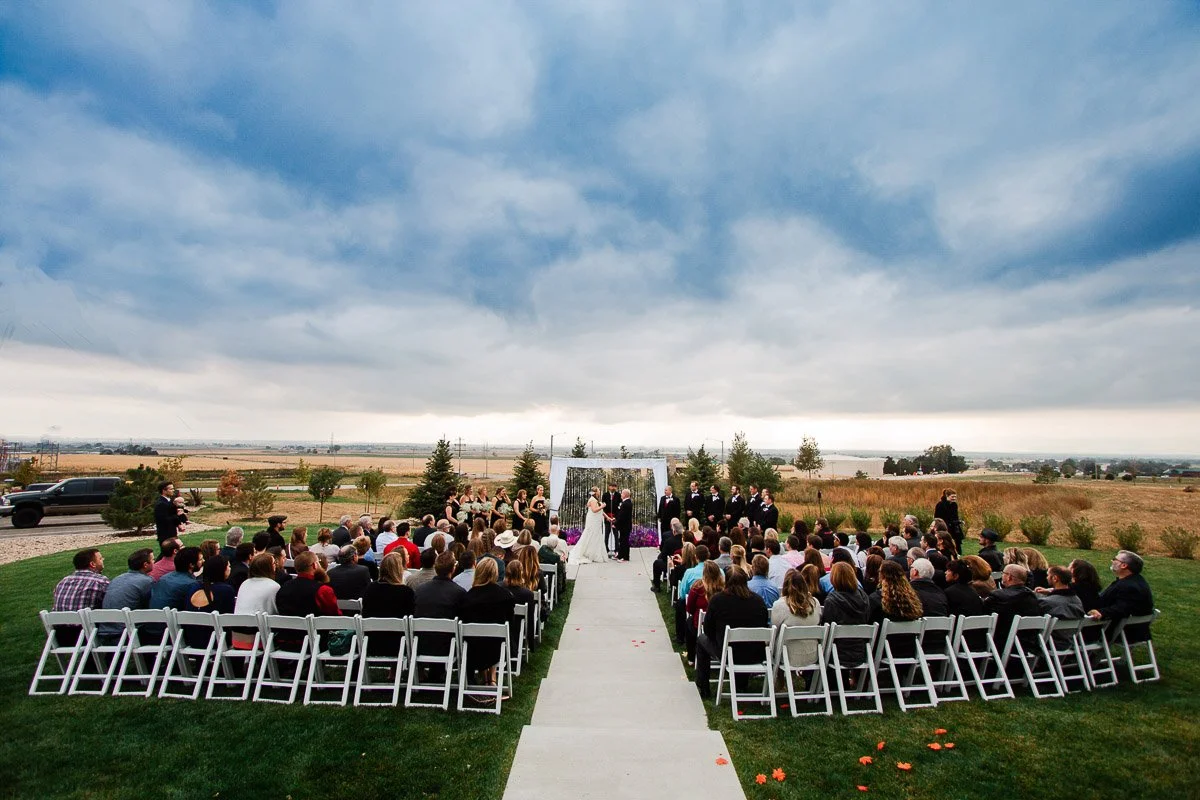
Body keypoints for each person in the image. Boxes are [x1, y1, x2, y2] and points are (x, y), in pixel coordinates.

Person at [694, 569, 769, 699]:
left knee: (701, 640)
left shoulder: (718, 600)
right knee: (742, 644)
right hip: (756, 653)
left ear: (727, 582)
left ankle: (703, 686)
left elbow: (708, 629)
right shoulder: (758, 600)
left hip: (729, 653)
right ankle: (741, 684)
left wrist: (717, 638)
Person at [459, 558, 516, 685]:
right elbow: (509, 622)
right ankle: (491, 677)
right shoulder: (505, 596)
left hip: (473, 649)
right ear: (495, 573)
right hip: (496, 646)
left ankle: (487, 676)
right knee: (497, 634)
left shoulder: (467, 597)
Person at [1085, 550, 1154, 640]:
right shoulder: (1135, 581)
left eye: (1115, 559)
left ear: (1124, 565)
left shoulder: (1130, 586)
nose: (1112, 561)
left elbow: (1122, 608)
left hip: (1124, 632)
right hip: (1135, 631)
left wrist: (1102, 612)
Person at [97, 548, 154, 639]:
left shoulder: (117, 578)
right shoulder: (146, 581)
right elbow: (152, 606)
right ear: (146, 565)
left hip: (105, 629)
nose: (154, 562)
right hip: (127, 632)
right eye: (153, 560)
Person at [771, 569, 822, 670]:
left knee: (774, 640)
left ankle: (779, 681)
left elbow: (774, 633)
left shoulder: (780, 605)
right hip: (813, 654)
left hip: (787, 656)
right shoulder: (815, 603)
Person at [983, 564, 1042, 647]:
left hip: (1003, 643)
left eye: (1003, 573)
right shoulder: (1031, 596)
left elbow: (984, 612)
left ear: (1009, 577)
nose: (1002, 576)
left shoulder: (998, 595)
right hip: (1028, 642)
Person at [182, 555, 236, 646]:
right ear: (222, 570)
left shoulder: (193, 587)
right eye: (229, 566)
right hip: (216, 639)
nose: (230, 569)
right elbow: (229, 616)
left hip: (192, 639)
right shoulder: (225, 590)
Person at [231, 554, 280, 648]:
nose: (275, 565)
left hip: (237, 637)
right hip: (259, 639)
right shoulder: (274, 586)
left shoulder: (245, 584)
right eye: (274, 563)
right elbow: (275, 613)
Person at [53, 549, 110, 625]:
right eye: (100, 559)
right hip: (85, 630)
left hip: (59, 630)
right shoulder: (99, 581)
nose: (103, 560)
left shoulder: (63, 581)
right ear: (92, 564)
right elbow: (112, 602)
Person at [275, 552, 341, 617]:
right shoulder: (323, 590)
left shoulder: (284, 587)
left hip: (287, 626)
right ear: (315, 565)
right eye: (318, 562)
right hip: (318, 626)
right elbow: (335, 615)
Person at [686, 561, 724, 663]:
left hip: (703, 625)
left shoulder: (697, 587)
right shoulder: (724, 588)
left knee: (689, 621)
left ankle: (691, 657)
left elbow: (689, 608)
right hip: (719, 627)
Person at [568, 487, 610, 565]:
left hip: (597, 521)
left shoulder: (596, 499)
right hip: (593, 521)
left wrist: (607, 518)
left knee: (596, 536)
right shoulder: (592, 500)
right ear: (595, 492)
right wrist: (603, 506)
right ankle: (590, 553)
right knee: (591, 535)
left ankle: (595, 553)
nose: (600, 492)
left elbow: (601, 511)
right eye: (599, 490)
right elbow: (594, 510)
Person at [652, 518, 684, 592]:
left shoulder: (669, 541)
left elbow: (663, 556)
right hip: (683, 563)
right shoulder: (685, 540)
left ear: (674, 531)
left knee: (657, 563)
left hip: (671, 564)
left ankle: (657, 586)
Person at [935, 489, 963, 554]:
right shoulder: (940, 504)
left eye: (955, 497)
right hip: (945, 527)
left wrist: (958, 522)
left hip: (954, 527)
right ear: (947, 496)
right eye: (952, 497)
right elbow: (937, 518)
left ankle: (956, 554)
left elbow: (956, 516)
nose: (954, 498)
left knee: (956, 543)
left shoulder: (954, 505)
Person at [614, 489, 633, 561]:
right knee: (622, 540)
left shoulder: (626, 503)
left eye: (622, 494)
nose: (621, 495)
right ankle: (621, 555)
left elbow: (622, 516)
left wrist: (615, 523)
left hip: (625, 526)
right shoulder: (627, 502)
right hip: (625, 526)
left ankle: (625, 557)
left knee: (624, 541)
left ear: (625, 494)